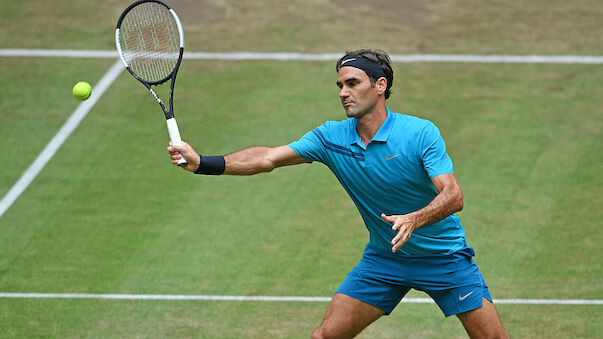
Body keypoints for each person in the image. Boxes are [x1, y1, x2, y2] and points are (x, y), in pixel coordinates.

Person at [168, 49, 509, 339]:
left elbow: (453, 195)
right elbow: (267, 158)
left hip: (443, 258)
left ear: (380, 85)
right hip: (385, 259)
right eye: (340, 85)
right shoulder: (331, 137)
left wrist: (414, 218)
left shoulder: (419, 133)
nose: (343, 92)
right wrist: (202, 163)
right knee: (324, 336)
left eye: (353, 83)